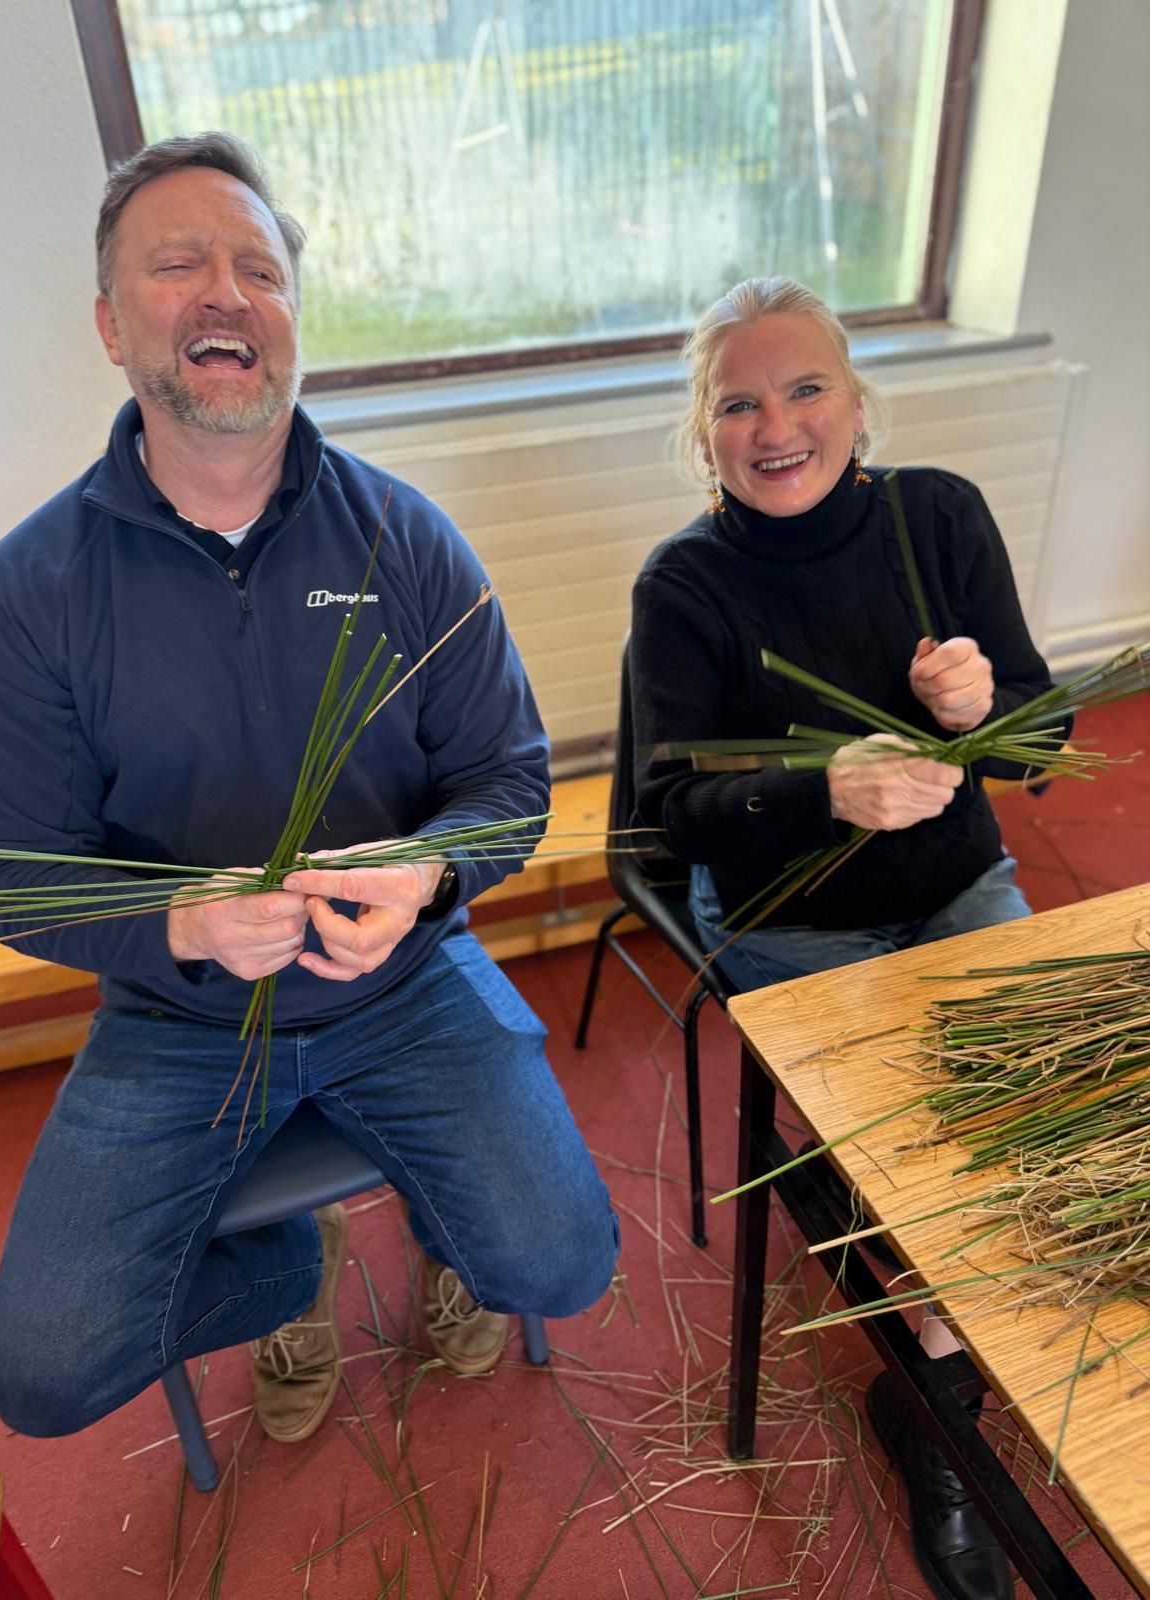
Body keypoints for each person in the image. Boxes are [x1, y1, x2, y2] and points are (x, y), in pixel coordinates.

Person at [0, 133, 618, 1451]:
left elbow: (508, 782)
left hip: (405, 985)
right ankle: (289, 1272)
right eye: (179, 264)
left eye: (259, 270)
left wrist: (426, 872)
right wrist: (183, 923)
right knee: (41, 1374)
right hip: (181, 1015)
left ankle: (452, 1233)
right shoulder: (30, 593)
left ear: (293, 319)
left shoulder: (404, 536)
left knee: (561, 1264)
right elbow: (20, 881)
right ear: (110, 322)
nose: (226, 292)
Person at [631, 277, 1060, 1600]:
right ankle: (938, 1414)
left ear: (858, 401)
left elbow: (1041, 738)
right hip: (794, 916)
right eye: (738, 404)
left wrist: (983, 710)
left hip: (955, 886)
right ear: (703, 432)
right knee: (939, 1175)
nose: (777, 428)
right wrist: (825, 790)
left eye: (806, 388)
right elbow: (667, 813)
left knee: (1053, 1127)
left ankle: (944, 1364)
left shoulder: (939, 515)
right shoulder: (687, 584)